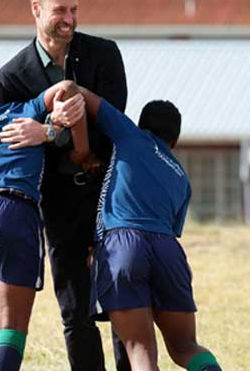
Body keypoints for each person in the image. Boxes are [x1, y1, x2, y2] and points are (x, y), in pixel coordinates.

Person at [0, 0, 130, 369]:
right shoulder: (13, 75)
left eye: (74, 10)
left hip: (109, 189)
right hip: (56, 201)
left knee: (123, 298)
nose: (69, 19)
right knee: (74, 307)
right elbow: (21, 141)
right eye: (60, 10)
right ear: (36, 10)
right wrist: (55, 131)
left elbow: (114, 123)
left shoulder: (105, 54)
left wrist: (53, 130)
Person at [63, 81, 222, 371]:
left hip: (123, 244)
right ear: (174, 140)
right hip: (168, 250)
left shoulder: (129, 134)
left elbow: (75, 90)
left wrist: (81, 148)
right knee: (186, 346)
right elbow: (170, 229)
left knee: (140, 350)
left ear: (141, 124)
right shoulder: (181, 178)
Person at [0, 77, 90, 371]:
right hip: (13, 208)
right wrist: (54, 126)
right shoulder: (27, 110)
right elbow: (68, 87)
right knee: (11, 320)